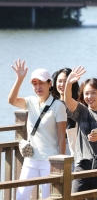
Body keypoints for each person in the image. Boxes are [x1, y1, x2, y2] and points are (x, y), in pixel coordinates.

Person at [8, 60, 67, 199]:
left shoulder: (58, 106)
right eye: (34, 84)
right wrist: (19, 79)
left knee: (49, 198)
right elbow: (11, 100)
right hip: (30, 160)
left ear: (49, 84)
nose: (38, 87)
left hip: (49, 161)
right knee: (20, 197)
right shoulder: (30, 102)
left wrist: (60, 164)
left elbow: (61, 136)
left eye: (41, 83)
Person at [52, 68, 80, 157]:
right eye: (59, 81)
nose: (63, 84)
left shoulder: (77, 104)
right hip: (52, 145)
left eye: (66, 81)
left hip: (71, 146)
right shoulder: (51, 103)